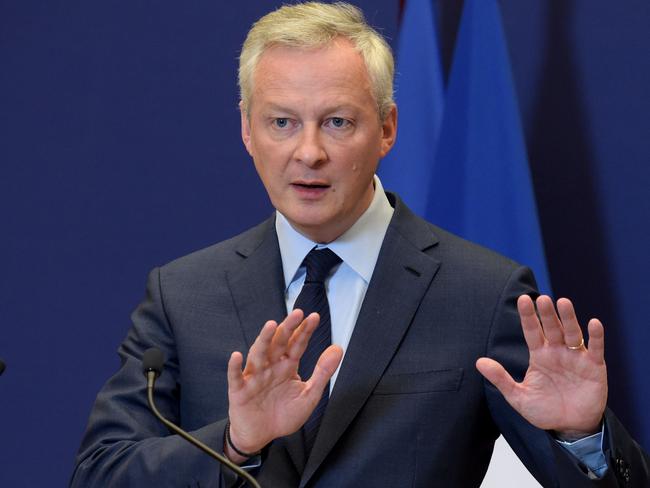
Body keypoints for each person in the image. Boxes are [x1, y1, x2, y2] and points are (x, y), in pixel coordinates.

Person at [71, 3, 649, 487]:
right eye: (282, 123)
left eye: (339, 122)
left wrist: (581, 438)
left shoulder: (481, 292)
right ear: (247, 130)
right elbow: (100, 474)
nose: (309, 153)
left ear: (388, 129)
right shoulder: (182, 293)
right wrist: (234, 442)